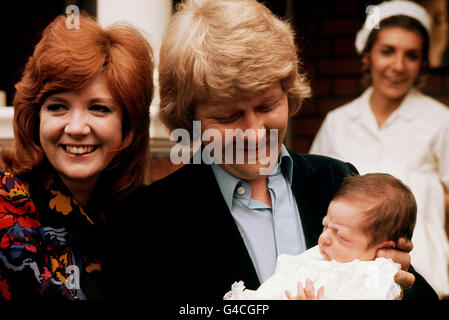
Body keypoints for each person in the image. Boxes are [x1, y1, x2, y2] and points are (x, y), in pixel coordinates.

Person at [143, 0, 437, 301]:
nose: (255, 133)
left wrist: (394, 287)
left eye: (267, 105)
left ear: (289, 92)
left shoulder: (336, 181)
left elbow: (419, 295)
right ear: (188, 117)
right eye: (229, 116)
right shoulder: (150, 219)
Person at [0, 13, 154, 300]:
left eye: (99, 108)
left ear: (128, 124)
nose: (76, 128)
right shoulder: (4, 208)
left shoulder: (149, 219)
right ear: (35, 119)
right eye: (58, 107)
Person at [310, 0, 449, 297]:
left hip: (422, 283)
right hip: (345, 284)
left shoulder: (440, 121)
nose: (398, 66)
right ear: (367, 55)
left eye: (411, 55)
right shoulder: (338, 122)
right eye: (388, 51)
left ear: (422, 63)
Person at [224, 173, 416, 300]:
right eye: (325, 226)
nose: (324, 238)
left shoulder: (371, 279)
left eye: (341, 236)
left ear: (385, 248)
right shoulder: (320, 255)